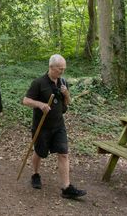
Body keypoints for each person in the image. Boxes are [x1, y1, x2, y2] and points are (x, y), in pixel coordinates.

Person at [22, 54, 86, 199]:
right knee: (39, 152)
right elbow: (25, 100)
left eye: (63, 69)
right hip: (41, 125)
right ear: (51, 67)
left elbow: (67, 103)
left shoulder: (63, 82)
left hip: (58, 124)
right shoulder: (39, 82)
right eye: (59, 69)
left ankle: (66, 187)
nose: (62, 72)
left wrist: (66, 93)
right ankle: (35, 174)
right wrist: (40, 104)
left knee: (63, 153)